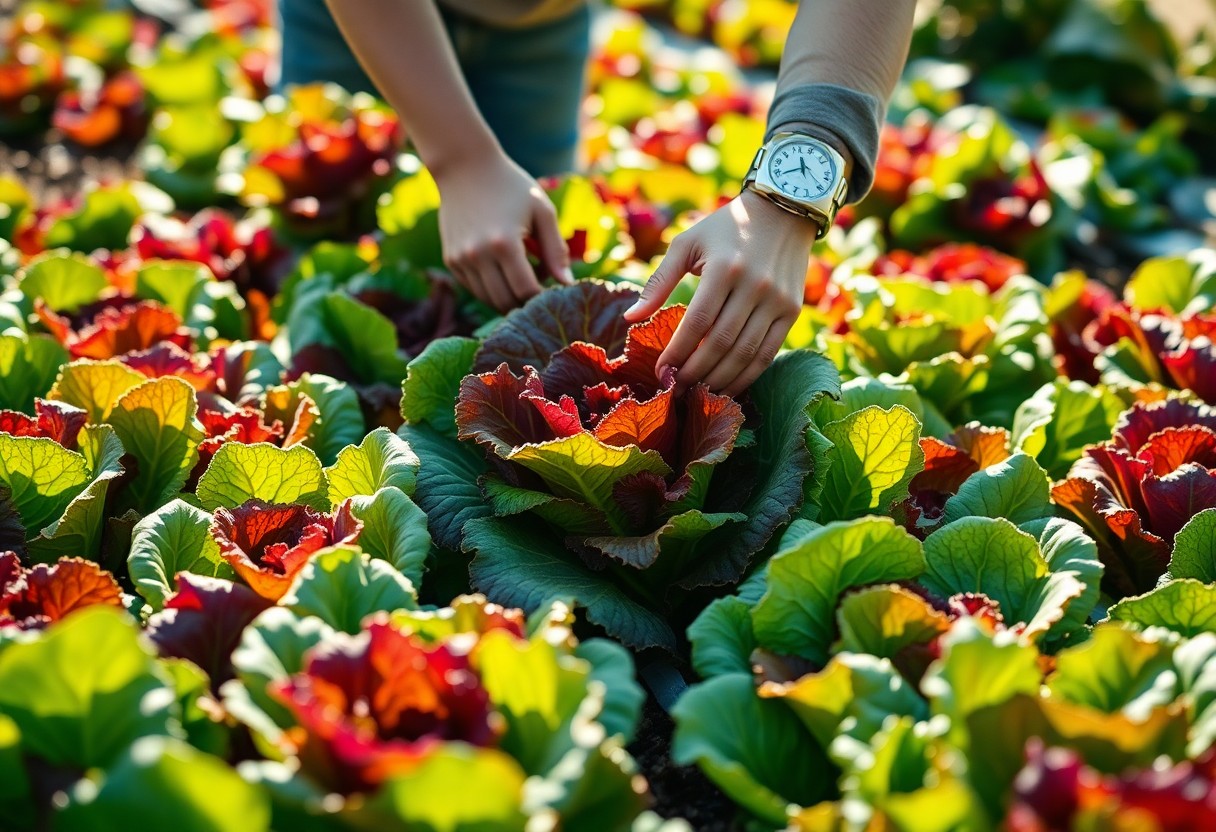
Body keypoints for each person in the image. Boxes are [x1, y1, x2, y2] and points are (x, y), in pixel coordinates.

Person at [279, 0, 916, 396]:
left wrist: (784, 202)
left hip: (540, 27)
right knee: (328, 289)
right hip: (363, 20)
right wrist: (461, 158)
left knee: (520, 282)